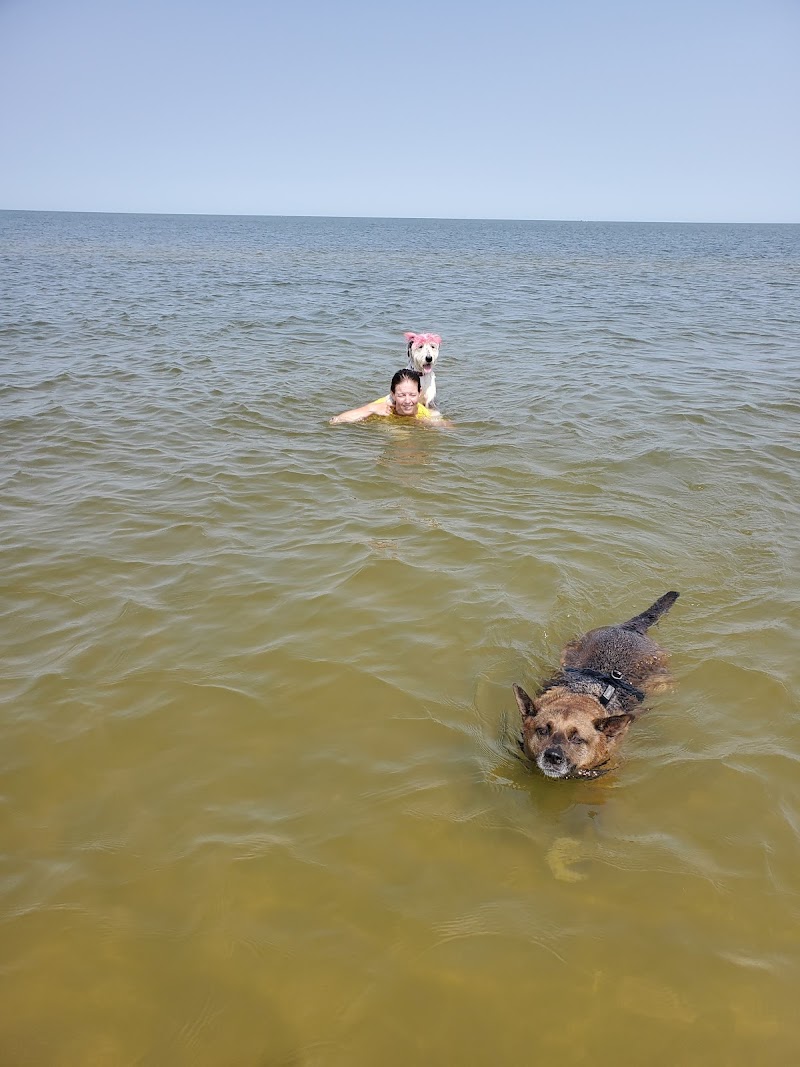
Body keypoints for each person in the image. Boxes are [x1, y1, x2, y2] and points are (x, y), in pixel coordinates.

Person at [329, 368, 449, 425]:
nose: (407, 401)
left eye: (412, 395)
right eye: (401, 395)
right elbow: (335, 421)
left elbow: (449, 429)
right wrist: (371, 409)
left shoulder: (423, 414)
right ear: (393, 394)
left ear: (420, 393)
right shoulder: (381, 407)